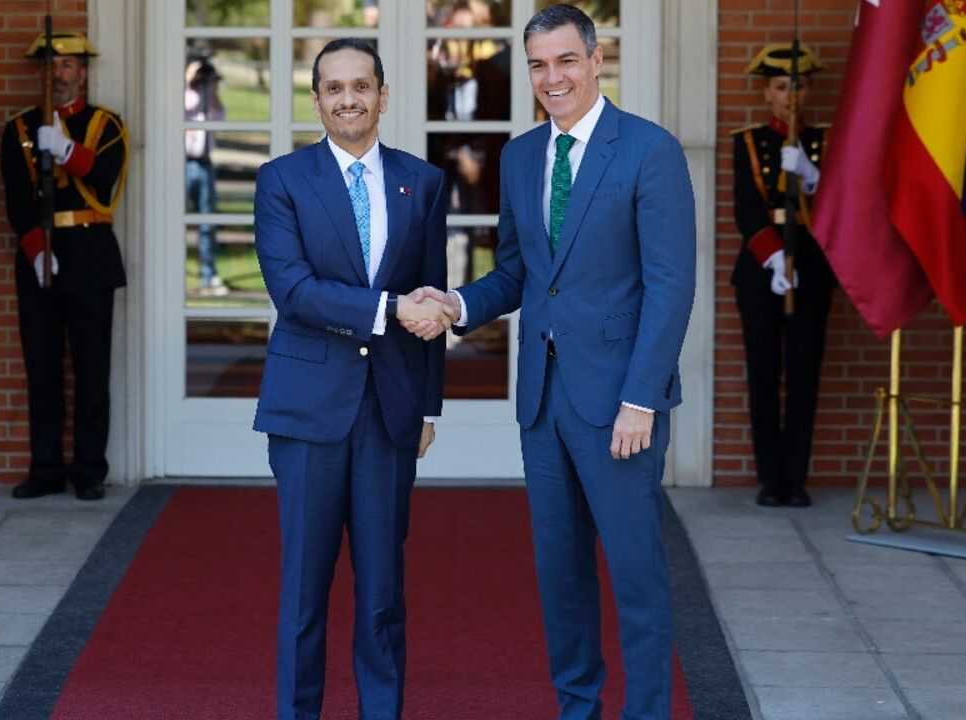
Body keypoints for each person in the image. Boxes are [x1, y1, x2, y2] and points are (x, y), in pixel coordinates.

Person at [408, 6, 695, 719]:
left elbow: (671, 285)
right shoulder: (522, 156)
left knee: (635, 576)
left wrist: (642, 398)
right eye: (538, 64)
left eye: (566, 60)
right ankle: (577, 708)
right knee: (560, 577)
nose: (552, 77)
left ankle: (649, 712)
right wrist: (457, 303)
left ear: (597, 60)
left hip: (619, 402)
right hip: (542, 398)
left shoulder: (647, 150)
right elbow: (518, 274)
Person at [251, 39, 455, 720]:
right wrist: (390, 309)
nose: (348, 99)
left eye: (361, 86)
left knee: (381, 596)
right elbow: (296, 292)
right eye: (333, 88)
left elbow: (432, 294)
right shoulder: (281, 180)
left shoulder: (422, 182)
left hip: (390, 412)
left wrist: (429, 407)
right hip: (308, 410)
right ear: (316, 100)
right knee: (305, 593)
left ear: (383, 95)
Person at [0, 31, 128, 501]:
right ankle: (46, 467)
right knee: (43, 366)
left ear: (84, 73)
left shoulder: (105, 125)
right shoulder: (18, 129)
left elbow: (105, 179)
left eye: (69, 65)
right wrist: (37, 250)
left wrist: (65, 149)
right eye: (52, 65)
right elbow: (17, 201)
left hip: (91, 255)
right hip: (42, 259)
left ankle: (89, 469)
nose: (60, 73)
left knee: (92, 370)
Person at [732, 43, 835, 508]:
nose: (789, 96)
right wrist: (774, 259)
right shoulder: (749, 141)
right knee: (764, 374)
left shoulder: (825, 142)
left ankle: (796, 478)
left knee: (804, 373)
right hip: (763, 272)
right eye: (779, 87)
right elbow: (747, 210)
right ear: (766, 94)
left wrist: (812, 176)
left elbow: (839, 207)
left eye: (796, 85)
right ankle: (770, 478)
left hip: (811, 270)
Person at [185, 51, 227, 296]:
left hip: (204, 162)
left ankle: (208, 274)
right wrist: (186, 80)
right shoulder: (185, 93)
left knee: (207, 223)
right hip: (183, 162)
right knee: (176, 220)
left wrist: (212, 89)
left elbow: (220, 116)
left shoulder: (208, 97)